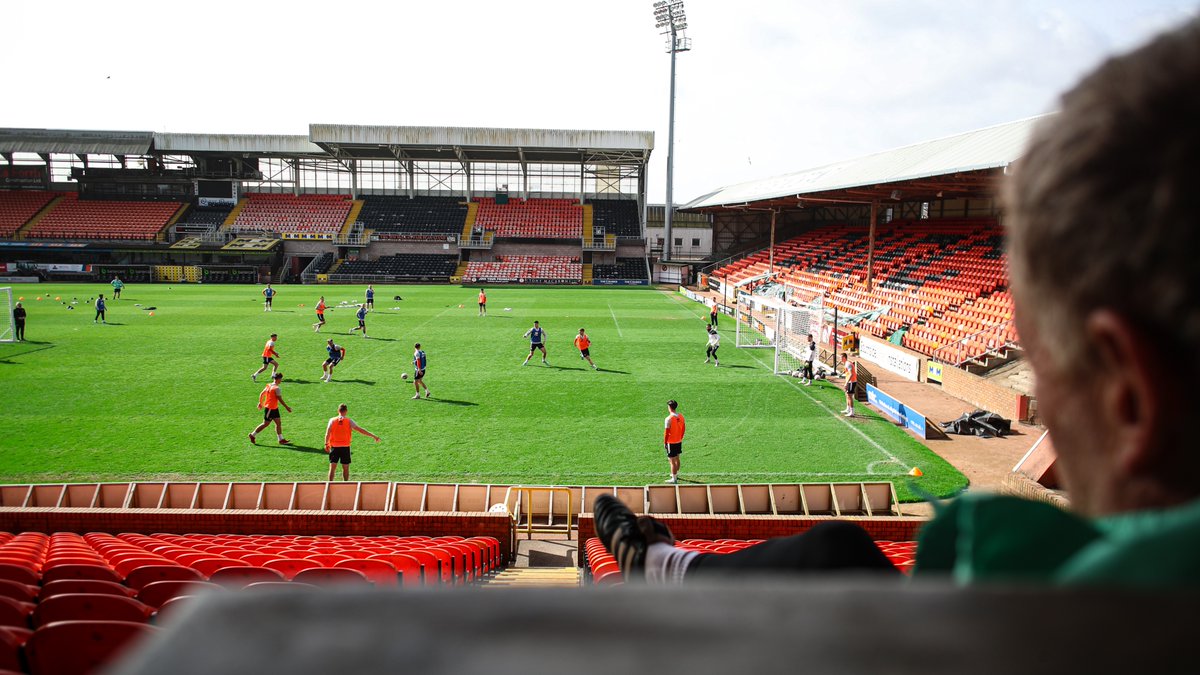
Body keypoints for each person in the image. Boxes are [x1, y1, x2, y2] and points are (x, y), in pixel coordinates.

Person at [593, 17, 1200, 589]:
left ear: (1129, 394)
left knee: (833, 551)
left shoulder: (1025, 585)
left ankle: (665, 565)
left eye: (1047, 364)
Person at [324, 403, 380, 481]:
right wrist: (374, 436)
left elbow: (327, 433)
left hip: (334, 447)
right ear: (346, 411)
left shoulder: (332, 420)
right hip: (345, 447)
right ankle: (346, 484)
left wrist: (326, 444)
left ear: (338, 410)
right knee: (345, 468)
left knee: (332, 468)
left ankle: (330, 484)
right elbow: (360, 430)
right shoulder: (349, 421)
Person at [249, 372, 291, 446]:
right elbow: (280, 399)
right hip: (270, 409)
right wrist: (287, 407)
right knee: (265, 424)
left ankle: (281, 439)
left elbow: (262, 394)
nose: (281, 380)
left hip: (274, 408)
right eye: (281, 379)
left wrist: (260, 402)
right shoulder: (277, 388)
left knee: (278, 423)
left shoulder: (269, 385)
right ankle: (252, 435)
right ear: (278, 379)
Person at [663, 399, 685, 484]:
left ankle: (674, 478)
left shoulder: (668, 419)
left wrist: (665, 442)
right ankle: (675, 474)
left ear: (669, 407)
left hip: (671, 442)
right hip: (678, 440)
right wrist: (680, 437)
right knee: (677, 458)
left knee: (671, 460)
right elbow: (683, 428)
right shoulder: (681, 416)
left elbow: (666, 432)